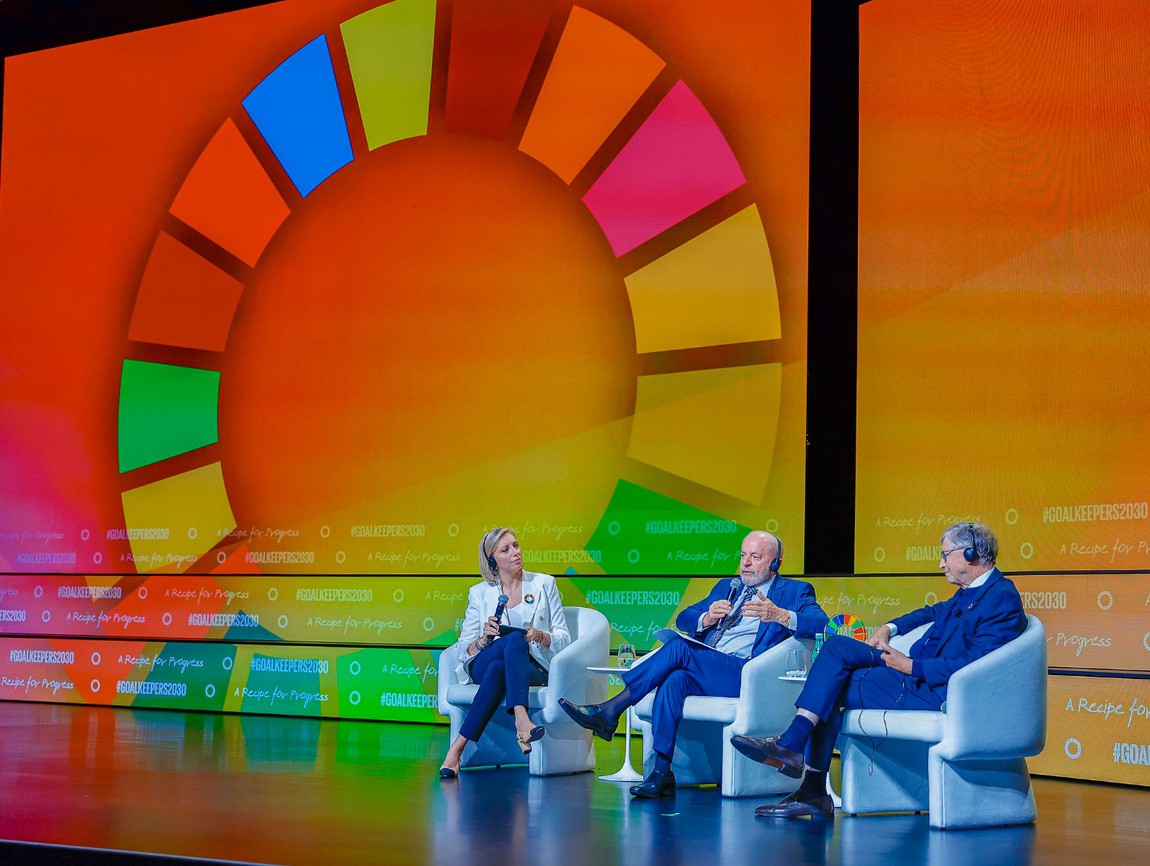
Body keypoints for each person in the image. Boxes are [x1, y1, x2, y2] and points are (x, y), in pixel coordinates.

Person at [731, 521, 1027, 819]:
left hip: (930, 688)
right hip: (910, 675)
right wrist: (890, 627)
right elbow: (931, 612)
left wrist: (911, 665)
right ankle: (797, 755)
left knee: (831, 684)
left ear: (970, 554)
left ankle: (807, 778)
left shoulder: (1000, 596)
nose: (940, 563)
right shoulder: (968, 591)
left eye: (945, 555)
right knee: (836, 648)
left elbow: (979, 664)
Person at [559, 530, 829, 798]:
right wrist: (707, 618)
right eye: (743, 555)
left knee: (678, 648)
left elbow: (821, 622)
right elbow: (684, 619)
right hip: (711, 666)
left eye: (755, 557)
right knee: (674, 679)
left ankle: (611, 709)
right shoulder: (728, 587)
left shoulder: (795, 591)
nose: (745, 563)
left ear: (775, 564)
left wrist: (780, 615)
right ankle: (661, 772)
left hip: (747, 673)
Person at [439, 527, 570, 778]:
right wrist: (484, 639)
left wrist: (540, 635)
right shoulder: (479, 593)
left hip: (532, 667)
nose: (516, 552)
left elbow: (564, 638)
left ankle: (456, 750)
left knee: (510, 652)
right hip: (484, 660)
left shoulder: (544, 584)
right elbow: (462, 648)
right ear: (492, 560)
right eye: (505, 549)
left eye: (516, 545)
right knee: (510, 643)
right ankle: (522, 719)